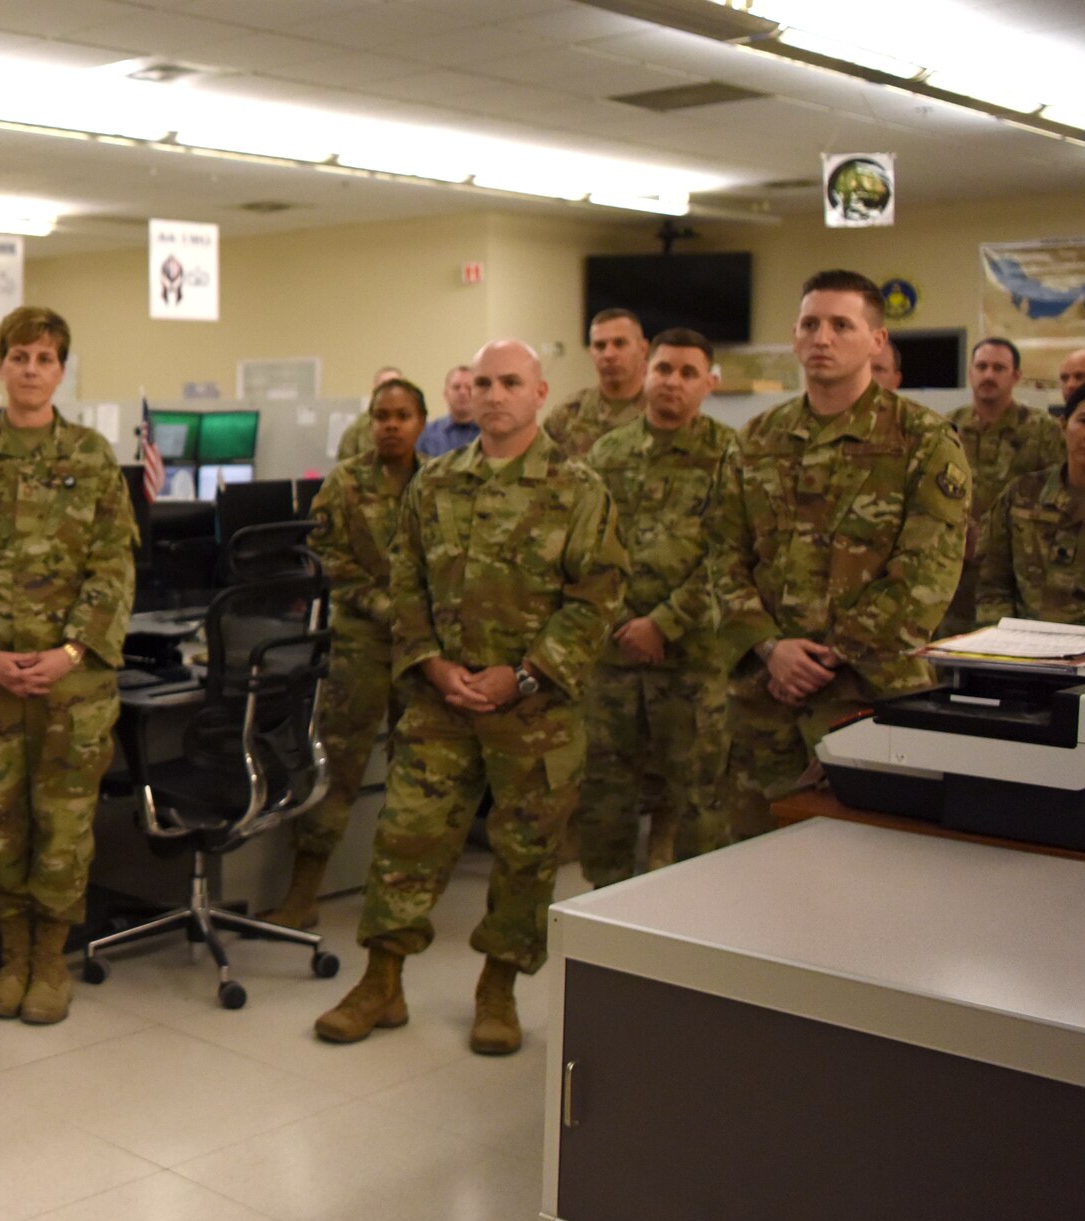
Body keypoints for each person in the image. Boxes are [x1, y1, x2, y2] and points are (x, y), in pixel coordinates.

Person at [315, 339, 625, 1054]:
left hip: (534, 709)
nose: (493, 395)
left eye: (510, 382)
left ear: (540, 392)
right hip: (440, 702)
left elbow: (596, 598)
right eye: (483, 382)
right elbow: (406, 582)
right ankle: (381, 981)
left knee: (525, 853)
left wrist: (522, 674)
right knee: (406, 838)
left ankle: (499, 987)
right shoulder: (435, 484)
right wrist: (430, 663)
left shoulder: (578, 488)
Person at [0, 305, 137, 1026]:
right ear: (2, 364)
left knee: (64, 821)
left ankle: (52, 958)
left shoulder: (92, 456)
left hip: (71, 681)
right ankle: (11, 953)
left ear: (61, 369)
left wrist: (71, 649)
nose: (30, 369)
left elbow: (113, 564)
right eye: (19, 356)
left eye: (45, 358)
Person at [710, 270, 968, 841]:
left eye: (840, 325)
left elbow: (926, 576)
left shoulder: (923, 440)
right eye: (810, 324)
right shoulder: (755, 440)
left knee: (873, 861)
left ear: (876, 341)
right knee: (757, 864)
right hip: (765, 699)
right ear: (795, 338)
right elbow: (723, 557)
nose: (822, 338)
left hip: (871, 695)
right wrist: (772, 649)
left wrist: (826, 660)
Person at [576, 329, 738, 888]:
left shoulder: (731, 455)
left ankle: (692, 912)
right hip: (613, 653)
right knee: (604, 792)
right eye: (665, 369)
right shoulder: (608, 452)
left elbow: (732, 554)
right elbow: (588, 546)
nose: (673, 382)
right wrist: (622, 623)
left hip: (692, 659)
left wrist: (663, 623)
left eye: (688, 373)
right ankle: (605, 905)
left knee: (699, 794)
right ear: (647, 374)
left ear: (709, 384)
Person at [264, 377, 424, 931]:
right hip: (360, 646)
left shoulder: (441, 486)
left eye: (403, 415)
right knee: (336, 769)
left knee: (419, 777)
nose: (391, 425)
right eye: (382, 415)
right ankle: (303, 894)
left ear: (421, 422)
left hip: (424, 651)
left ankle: (398, 901)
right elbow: (326, 556)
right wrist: (383, 604)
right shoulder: (346, 483)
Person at [940, 337, 1065, 635]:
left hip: (1019, 571)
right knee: (951, 654)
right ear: (970, 372)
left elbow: (1059, 495)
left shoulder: (1042, 429)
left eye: (999, 368)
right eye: (981, 367)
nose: (989, 375)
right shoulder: (946, 428)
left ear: (1016, 376)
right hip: (957, 571)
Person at [977, 377, 1085, 626]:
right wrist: (1000, 640)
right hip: (1016, 648)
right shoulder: (1022, 494)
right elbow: (992, 579)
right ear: (1064, 424)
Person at [544, 308, 647, 457]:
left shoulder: (663, 412)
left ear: (643, 349)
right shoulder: (568, 414)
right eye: (600, 346)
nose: (609, 354)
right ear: (591, 351)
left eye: (619, 343)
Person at [335, 365, 403, 460]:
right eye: (384, 384)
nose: (389, 390)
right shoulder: (358, 429)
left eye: (395, 385)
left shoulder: (414, 424)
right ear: (374, 389)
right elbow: (344, 466)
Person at [415, 363, 479, 459]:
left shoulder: (490, 433)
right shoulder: (425, 434)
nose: (463, 392)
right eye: (456, 387)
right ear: (446, 394)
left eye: (469, 387)